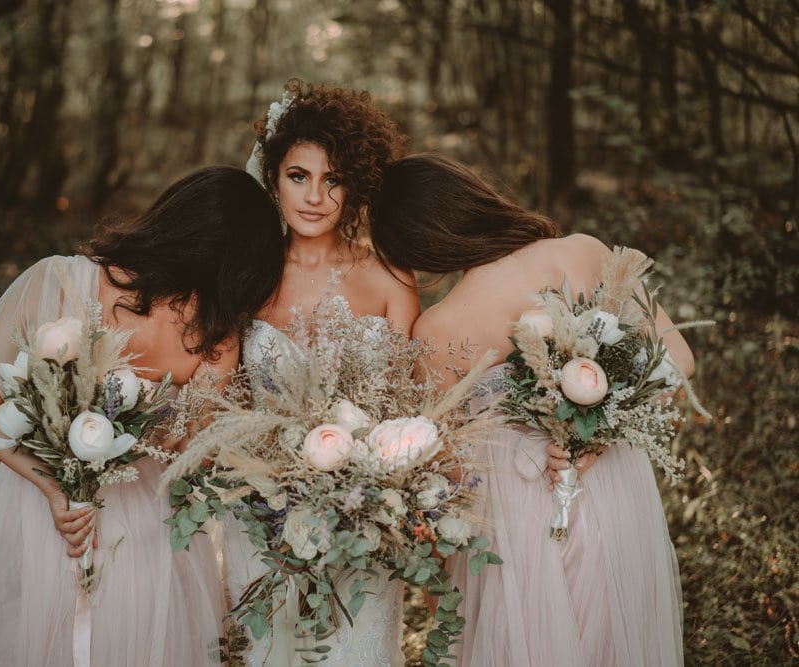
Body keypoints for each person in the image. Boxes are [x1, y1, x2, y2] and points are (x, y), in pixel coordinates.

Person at [0, 166, 286, 666]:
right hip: (145, 528)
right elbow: (189, 449)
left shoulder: (56, 279)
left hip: (40, 512)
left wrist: (57, 487)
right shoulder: (216, 336)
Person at [369, 153, 691, 666]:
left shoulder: (439, 330)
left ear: (418, 245)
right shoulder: (584, 251)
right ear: (472, 195)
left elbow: (448, 479)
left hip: (517, 522)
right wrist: (599, 430)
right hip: (616, 486)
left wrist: (444, 594)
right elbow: (680, 360)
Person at [221, 79, 419, 666]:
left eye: (333, 179)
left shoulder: (390, 278)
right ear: (272, 179)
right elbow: (223, 402)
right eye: (298, 176)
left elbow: (412, 405)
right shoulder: (242, 281)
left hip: (365, 519)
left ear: (355, 185)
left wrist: (371, 491)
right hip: (260, 516)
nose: (315, 197)